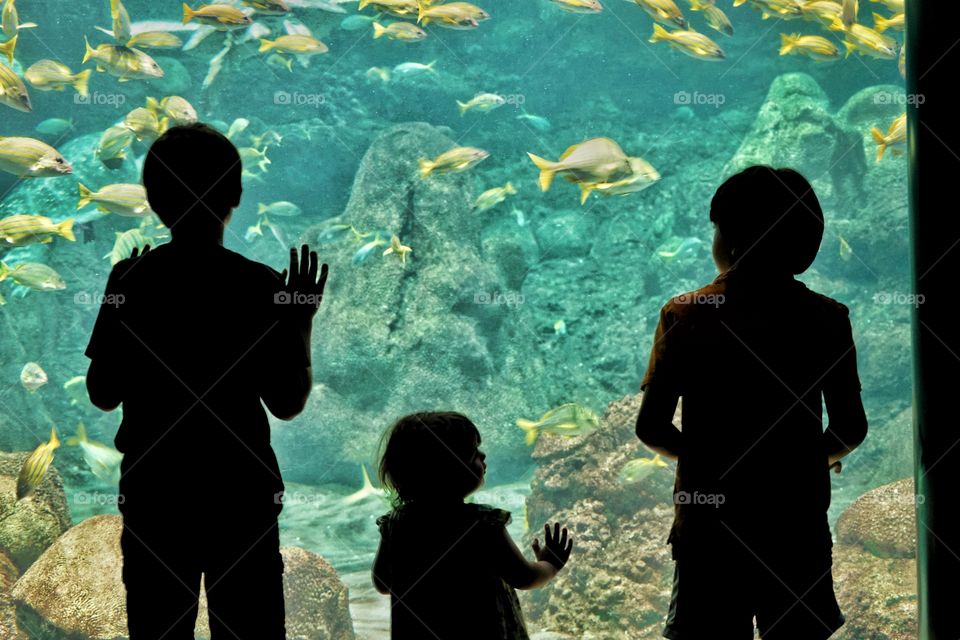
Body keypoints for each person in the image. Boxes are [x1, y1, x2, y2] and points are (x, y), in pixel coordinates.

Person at [85, 123, 328, 640]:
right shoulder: (260, 286)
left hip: (155, 495)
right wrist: (300, 318)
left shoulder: (129, 282)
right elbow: (286, 402)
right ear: (236, 196)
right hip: (241, 494)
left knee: (158, 628)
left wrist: (114, 298)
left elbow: (102, 394)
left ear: (152, 202)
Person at [635, 165, 868, 640]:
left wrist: (718, 466)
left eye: (717, 227)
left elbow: (652, 428)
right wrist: (803, 461)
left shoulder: (686, 314)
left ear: (733, 238)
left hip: (710, 529)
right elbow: (849, 428)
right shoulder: (826, 318)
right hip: (795, 526)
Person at [371, 411, 573, 639]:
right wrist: (550, 563)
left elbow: (382, 583)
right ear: (448, 470)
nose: (483, 455)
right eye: (473, 452)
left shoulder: (396, 525)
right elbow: (524, 577)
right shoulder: (482, 525)